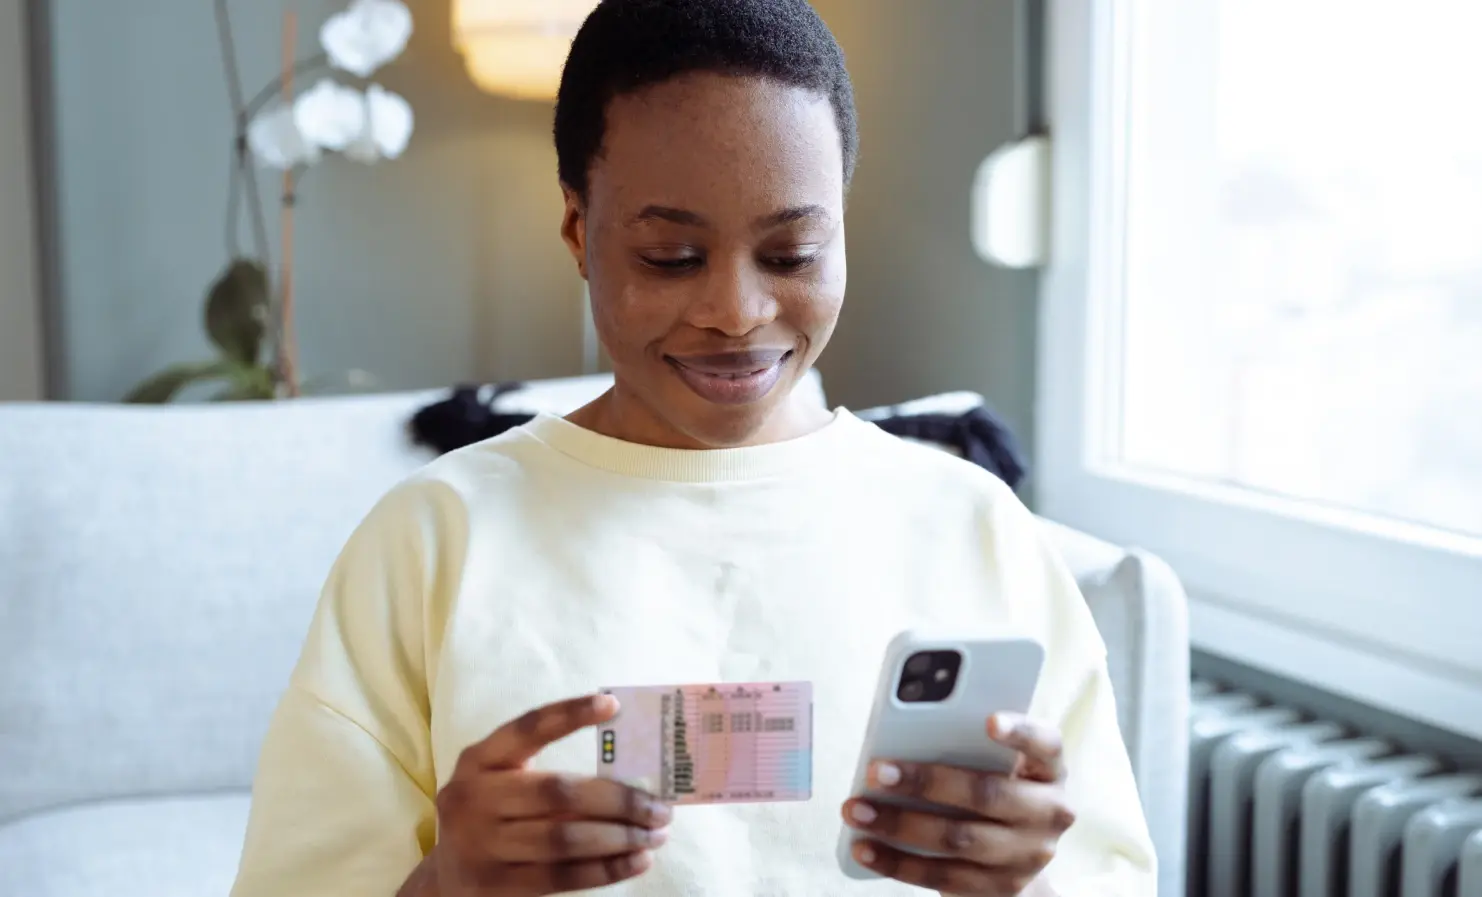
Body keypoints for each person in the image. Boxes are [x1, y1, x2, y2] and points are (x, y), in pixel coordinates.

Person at [228, 1, 1157, 895]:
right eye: (671, 257)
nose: (736, 312)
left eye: (792, 254)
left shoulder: (975, 529)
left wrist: (1023, 884)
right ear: (577, 230)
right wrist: (447, 885)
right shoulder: (435, 540)